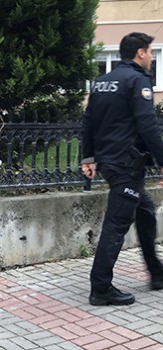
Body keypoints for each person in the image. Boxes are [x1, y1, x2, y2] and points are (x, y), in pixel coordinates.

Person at [82, 32, 163, 306]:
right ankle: (100, 288)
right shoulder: (138, 80)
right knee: (116, 225)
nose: (152, 57)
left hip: (109, 162)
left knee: (146, 211)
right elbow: (147, 125)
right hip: (126, 165)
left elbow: (88, 121)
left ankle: (157, 272)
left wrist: (88, 159)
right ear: (140, 53)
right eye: (151, 52)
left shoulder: (102, 81)